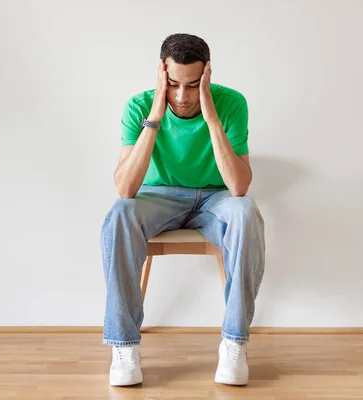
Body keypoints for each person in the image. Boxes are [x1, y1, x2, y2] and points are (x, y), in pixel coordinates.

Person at [101, 33, 265, 387]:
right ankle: (125, 346)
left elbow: (238, 187)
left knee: (246, 211)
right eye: (173, 83)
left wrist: (211, 116)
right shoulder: (139, 106)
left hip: (215, 199)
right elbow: (126, 188)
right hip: (159, 197)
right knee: (119, 213)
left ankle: (235, 342)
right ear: (161, 74)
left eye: (192, 85)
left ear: (207, 75)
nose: (181, 96)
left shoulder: (231, 103)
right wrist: (155, 115)